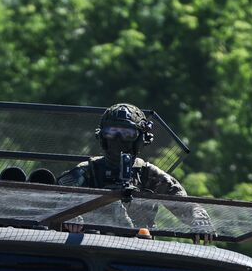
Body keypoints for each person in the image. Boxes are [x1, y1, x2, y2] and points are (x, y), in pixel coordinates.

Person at [57, 103, 214, 240]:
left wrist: (199, 219)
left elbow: (184, 204)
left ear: (140, 138)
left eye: (127, 134)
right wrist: (70, 215)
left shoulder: (148, 174)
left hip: (137, 251)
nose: (118, 139)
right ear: (102, 136)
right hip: (92, 248)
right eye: (112, 132)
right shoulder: (87, 170)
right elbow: (55, 200)